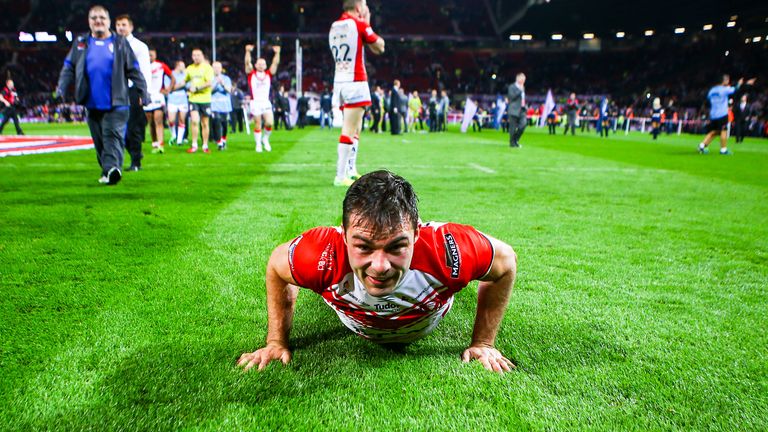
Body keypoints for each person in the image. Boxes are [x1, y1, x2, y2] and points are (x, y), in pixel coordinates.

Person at [236, 170, 518, 373]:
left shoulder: (449, 249)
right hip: (351, 315)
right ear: (344, 235)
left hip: (431, 313)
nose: (380, 266)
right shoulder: (322, 254)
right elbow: (277, 265)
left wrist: (483, 342)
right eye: (364, 247)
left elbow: (505, 263)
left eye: (396, 246)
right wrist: (275, 341)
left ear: (417, 233)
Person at [56, 5, 147, 185]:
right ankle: (108, 170)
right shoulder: (81, 43)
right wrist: (61, 88)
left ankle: (113, 169)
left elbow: (134, 70)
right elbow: (68, 67)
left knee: (112, 135)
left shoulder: (120, 42)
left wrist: (143, 91)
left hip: (118, 102)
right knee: (99, 142)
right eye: (94, 18)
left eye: (102, 18)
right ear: (89, 22)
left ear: (108, 21)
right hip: (91, 103)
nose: (98, 21)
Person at [329, 0, 385, 187]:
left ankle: (351, 170)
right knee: (349, 128)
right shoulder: (359, 24)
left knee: (356, 127)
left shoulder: (335, 25)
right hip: (355, 81)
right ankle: (340, 175)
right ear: (359, 8)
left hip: (340, 81)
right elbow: (380, 46)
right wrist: (367, 23)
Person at [115, 14, 151, 171]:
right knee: (117, 127)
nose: (121, 27)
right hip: (116, 91)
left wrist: (144, 93)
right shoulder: (112, 44)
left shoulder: (139, 46)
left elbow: (144, 71)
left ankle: (136, 162)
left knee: (132, 127)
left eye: (124, 24)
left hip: (133, 90)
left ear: (131, 27)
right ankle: (133, 155)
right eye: (118, 25)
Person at [698, 75, 755, 155]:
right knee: (723, 131)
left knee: (714, 131)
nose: (728, 81)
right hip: (722, 114)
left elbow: (707, 101)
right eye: (727, 80)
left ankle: (702, 146)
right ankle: (723, 150)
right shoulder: (724, 89)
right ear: (723, 81)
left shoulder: (712, 90)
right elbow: (736, 90)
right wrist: (746, 84)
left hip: (713, 114)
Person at [245, 44, 280, 152]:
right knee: (258, 123)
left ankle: (265, 139)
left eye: (263, 64)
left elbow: (275, 63)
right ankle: (258, 144)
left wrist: (277, 53)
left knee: (269, 122)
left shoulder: (268, 74)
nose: (261, 65)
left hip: (265, 102)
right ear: (255, 65)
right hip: (255, 102)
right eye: (259, 64)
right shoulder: (251, 74)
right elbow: (247, 63)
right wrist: (248, 51)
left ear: (265, 65)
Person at [184, 48, 214, 154]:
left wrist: (196, 88)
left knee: (205, 123)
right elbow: (184, 80)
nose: (196, 57)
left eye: (198, 55)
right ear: (192, 57)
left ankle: (205, 145)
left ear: (202, 56)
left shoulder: (207, 68)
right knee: (195, 121)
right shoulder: (190, 68)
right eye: (194, 55)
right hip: (193, 99)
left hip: (205, 99)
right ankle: (194, 145)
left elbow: (209, 82)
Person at [144, 48, 174, 153]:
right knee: (150, 121)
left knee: (158, 120)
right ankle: (154, 143)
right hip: (147, 96)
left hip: (158, 96)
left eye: (151, 55)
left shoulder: (161, 66)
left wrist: (168, 89)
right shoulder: (142, 66)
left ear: (155, 56)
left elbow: (172, 77)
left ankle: (160, 144)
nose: (149, 57)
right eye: (148, 55)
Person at [209, 61, 232, 150]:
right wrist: (215, 84)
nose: (216, 69)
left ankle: (223, 139)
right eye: (214, 67)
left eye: (218, 67)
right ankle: (219, 143)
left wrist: (222, 83)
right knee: (216, 121)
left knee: (224, 124)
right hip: (214, 105)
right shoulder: (210, 78)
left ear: (221, 69)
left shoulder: (226, 79)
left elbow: (229, 90)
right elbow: (208, 91)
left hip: (225, 105)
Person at [167, 60, 189, 145]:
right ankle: (173, 135)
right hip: (172, 100)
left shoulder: (185, 75)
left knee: (182, 120)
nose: (184, 68)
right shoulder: (170, 74)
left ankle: (179, 140)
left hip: (183, 100)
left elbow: (188, 86)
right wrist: (181, 85)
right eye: (182, 66)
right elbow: (168, 88)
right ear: (177, 66)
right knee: (171, 120)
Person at [507, 73, 526, 147]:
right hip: (514, 110)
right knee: (513, 127)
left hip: (522, 110)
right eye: (522, 79)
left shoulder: (523, 87)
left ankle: (516, 139)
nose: (523, 81)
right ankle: (512, 143)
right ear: (518, 79)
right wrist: (520, 90)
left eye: (524, 80)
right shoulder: (512, 87)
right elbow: (511, 97)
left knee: (523, 125)